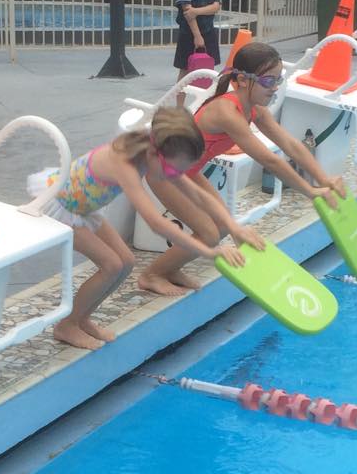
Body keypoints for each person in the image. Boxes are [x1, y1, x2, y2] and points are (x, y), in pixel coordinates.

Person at [27, 106, 253, 351]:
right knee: (111, 265)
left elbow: (198, 194)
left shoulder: (154, 152)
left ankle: (81, 318)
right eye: (172, 169)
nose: (174, 176)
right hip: (62, 207)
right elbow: (156, 222)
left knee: (126, 261)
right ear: (157, 153)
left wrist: (233, 227)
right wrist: (210, 251)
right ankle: (67, 326)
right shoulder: (123, 162)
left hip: (84, 207)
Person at [139, 42, 346, 297]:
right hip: (166, 173)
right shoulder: (227, 111)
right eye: (268, 81)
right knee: (208, 232)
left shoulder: (255, 109)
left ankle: (170, 269)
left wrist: (323, 178)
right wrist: (310, 191)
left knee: (223, 227)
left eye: (278, 80)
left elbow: (290, 144)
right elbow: (269, 160)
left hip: (190, 172)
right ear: (242, 80)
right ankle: (151, 275)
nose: (275, 88)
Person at [173, 0, 221, 108]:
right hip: (189, 33)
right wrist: (197, 36)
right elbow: (187, 12)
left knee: (208, 69)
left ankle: (204, 105)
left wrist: (196, 11)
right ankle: (179, 108)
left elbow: (216, 6)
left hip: (208, 30)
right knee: (184, 70)